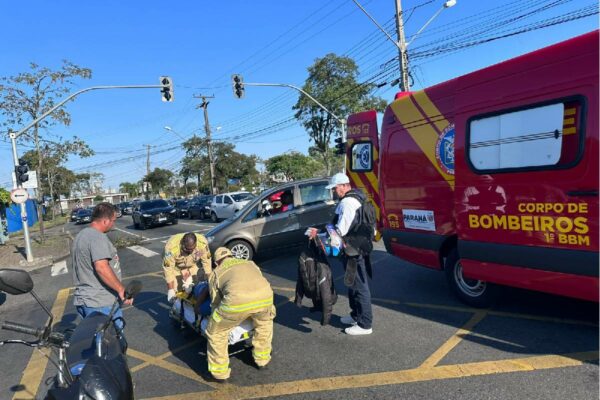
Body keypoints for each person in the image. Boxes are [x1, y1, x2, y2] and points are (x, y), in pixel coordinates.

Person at [312, 172, 374, 336]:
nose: (333, 191)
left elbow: (340, 230)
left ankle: (365, 324)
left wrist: (319, 235)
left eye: (335, 188)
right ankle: (356, 315)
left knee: (359, 286)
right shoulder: (357, 197)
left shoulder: (347, 203)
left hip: (353, 250)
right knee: (353, 283)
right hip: (358, 247)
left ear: (343, 186)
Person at [205, 247, 275, 382]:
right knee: (265, 324)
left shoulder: (216, 273)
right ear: (232, 256)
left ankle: (219, 374)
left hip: (236, 302)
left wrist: (220, 319)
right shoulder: (250, 263)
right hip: (265, 297)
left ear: (216, 262)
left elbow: (215, 302)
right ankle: (262, 359)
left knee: (216, 333)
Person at [72, 202, 132, 331]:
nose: (113, 224)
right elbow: (101, 267)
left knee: (95, 343)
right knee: (110, 344)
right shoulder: (97, 238)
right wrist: (121, 289)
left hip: (86, 300)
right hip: (100, 302)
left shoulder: (81, 236)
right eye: (113, 221)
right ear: (105, 221)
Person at [163, 232, 212, 303]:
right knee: (177, 291)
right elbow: (168, 269)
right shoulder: (171, 248)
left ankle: (192, 307)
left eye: (192, 249)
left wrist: (209, 282)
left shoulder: (202, 244)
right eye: (187, 249)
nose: (190, 251)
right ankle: (177, 309)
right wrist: (170, 290)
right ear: (182, 244)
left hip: (192, 264)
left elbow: (207, 263)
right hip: (176, 267)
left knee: (194, 286)